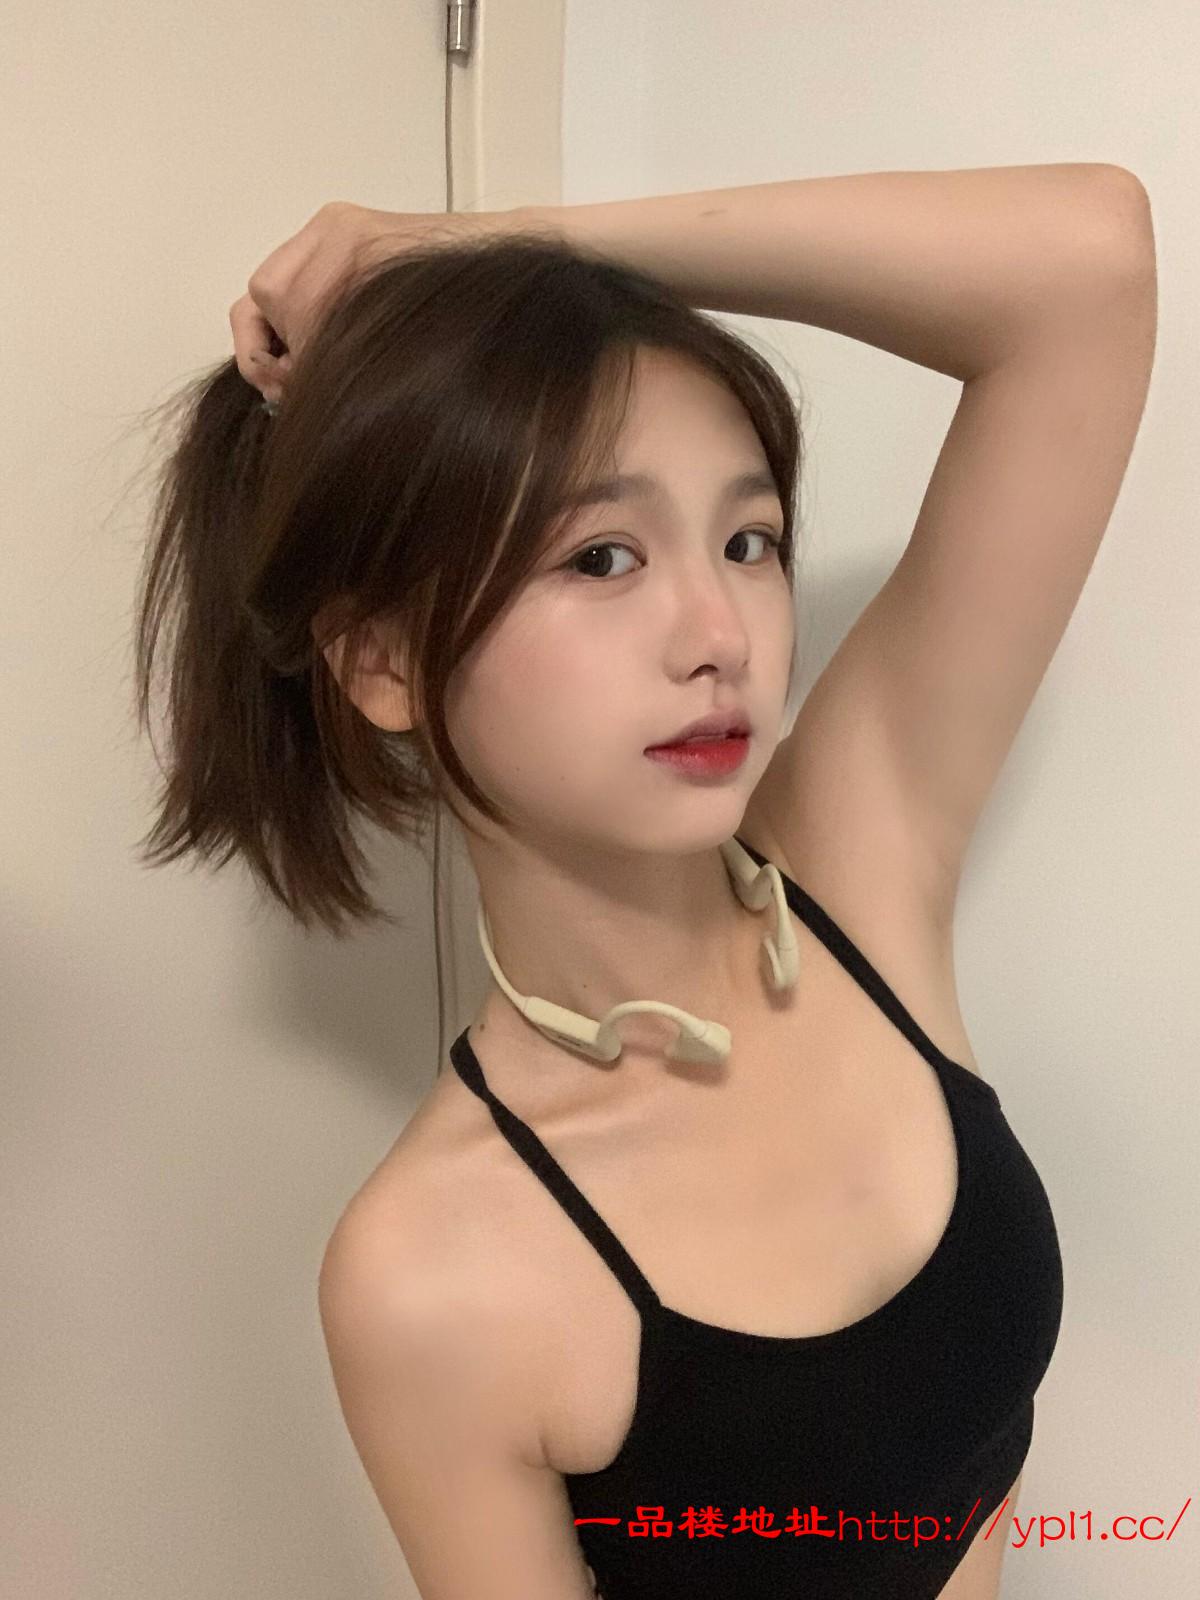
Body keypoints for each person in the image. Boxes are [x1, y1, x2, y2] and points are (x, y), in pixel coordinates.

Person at [135, 170, 1156, 1598]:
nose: (718, 632)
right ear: (381, 661)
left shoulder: (853, 863)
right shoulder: (434, 1272)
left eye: (749, 541)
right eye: (602, 556)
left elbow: (1089, 267)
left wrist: (469, 251)